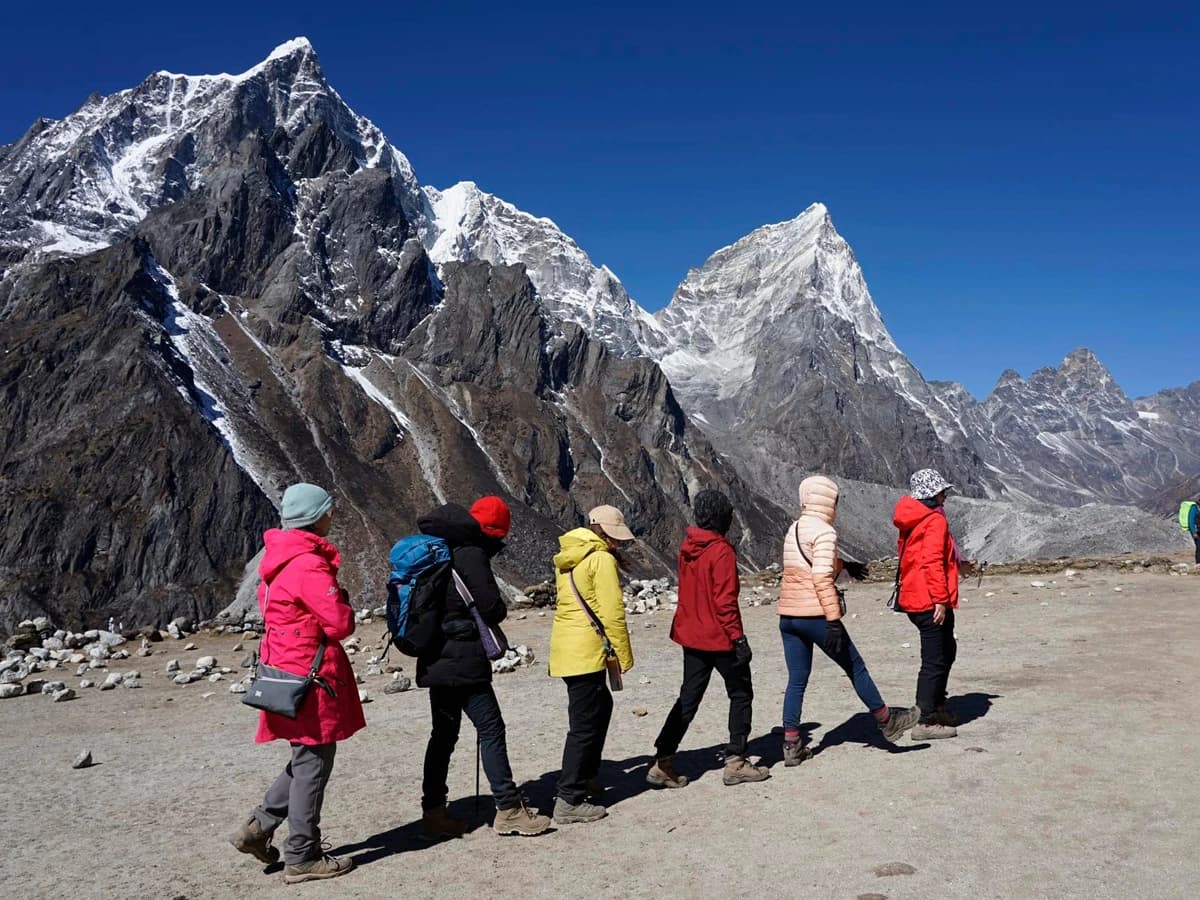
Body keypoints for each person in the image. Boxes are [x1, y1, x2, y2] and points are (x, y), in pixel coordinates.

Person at [230, 483, 364, 884]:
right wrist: (342, 600)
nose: (332, 515)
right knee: (314, 762)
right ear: (315, 515)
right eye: (327, 510)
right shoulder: (308, 564)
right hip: (311, 674)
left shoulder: (278, 558)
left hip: (284, 670)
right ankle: (302, 853)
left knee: (306, 757)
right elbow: (339, 623)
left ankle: (258, 827)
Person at [415, 497, 550, 839]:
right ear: (492, 532)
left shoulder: (438, 551)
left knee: (442, 736)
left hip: (435, 656)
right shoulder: (471, 554)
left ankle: (433, 812)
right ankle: (507, 809)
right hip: (462, 659)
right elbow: (491, 607)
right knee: (490, 728)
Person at [779, 476, 917, 762]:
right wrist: (832, 619)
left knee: (797, 679)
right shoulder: (825, 532)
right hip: (815, 615)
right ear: (830, 501)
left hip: (788, 615)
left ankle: (792, 744)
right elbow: (819, 577)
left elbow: (807, 564)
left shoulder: (794, 529)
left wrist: (845, 566)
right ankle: (886, 721)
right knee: (855, 667)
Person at [647, 490, 768, 788]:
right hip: (719, 637)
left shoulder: (689, 547)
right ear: (721, 517)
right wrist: (738, 639)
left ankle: (663, 761)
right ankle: (736, 760)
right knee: (740, 693)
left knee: (688, 698)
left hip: (692, 635)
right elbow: (725, 601)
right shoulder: (721, 551)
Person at [548, 505, 635, 824]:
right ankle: (569, 798)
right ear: (605, 532)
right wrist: (623, 657)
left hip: (567, 646)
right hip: (587, 650)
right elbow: (613, 613)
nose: (620, 543)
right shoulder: (600, 559)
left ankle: (586, 777)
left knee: (599, 707)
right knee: (584, 725)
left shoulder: (569, 556)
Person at [892, 468, 975, 740]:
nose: (945, 496)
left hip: (914, 596)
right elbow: (931, 563)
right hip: (929, 599)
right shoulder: (934, 521)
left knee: (945, 650)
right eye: (941, 492)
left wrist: (958, 565)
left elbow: (922, 558)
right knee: (935, 659)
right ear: (931, 494)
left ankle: (937, 705)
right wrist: (940, 599)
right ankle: (925, 720)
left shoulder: (913, 517)